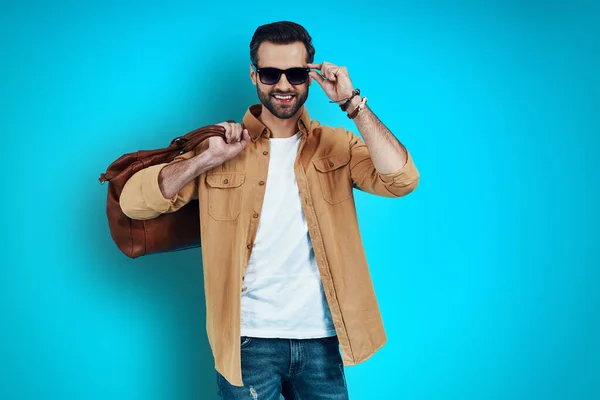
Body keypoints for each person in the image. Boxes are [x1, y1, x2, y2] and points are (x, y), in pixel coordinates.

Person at [119, 20, 419, 400]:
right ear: (253, 74)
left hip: (322, 341)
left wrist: (351, 103)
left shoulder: (337, 146)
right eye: (270, 73)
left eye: (295, 74)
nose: (282, 85)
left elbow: (403, 179)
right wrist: (201, 162)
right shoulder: (219, 148)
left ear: (311, 76)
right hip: (247, 342)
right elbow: (133, 203)